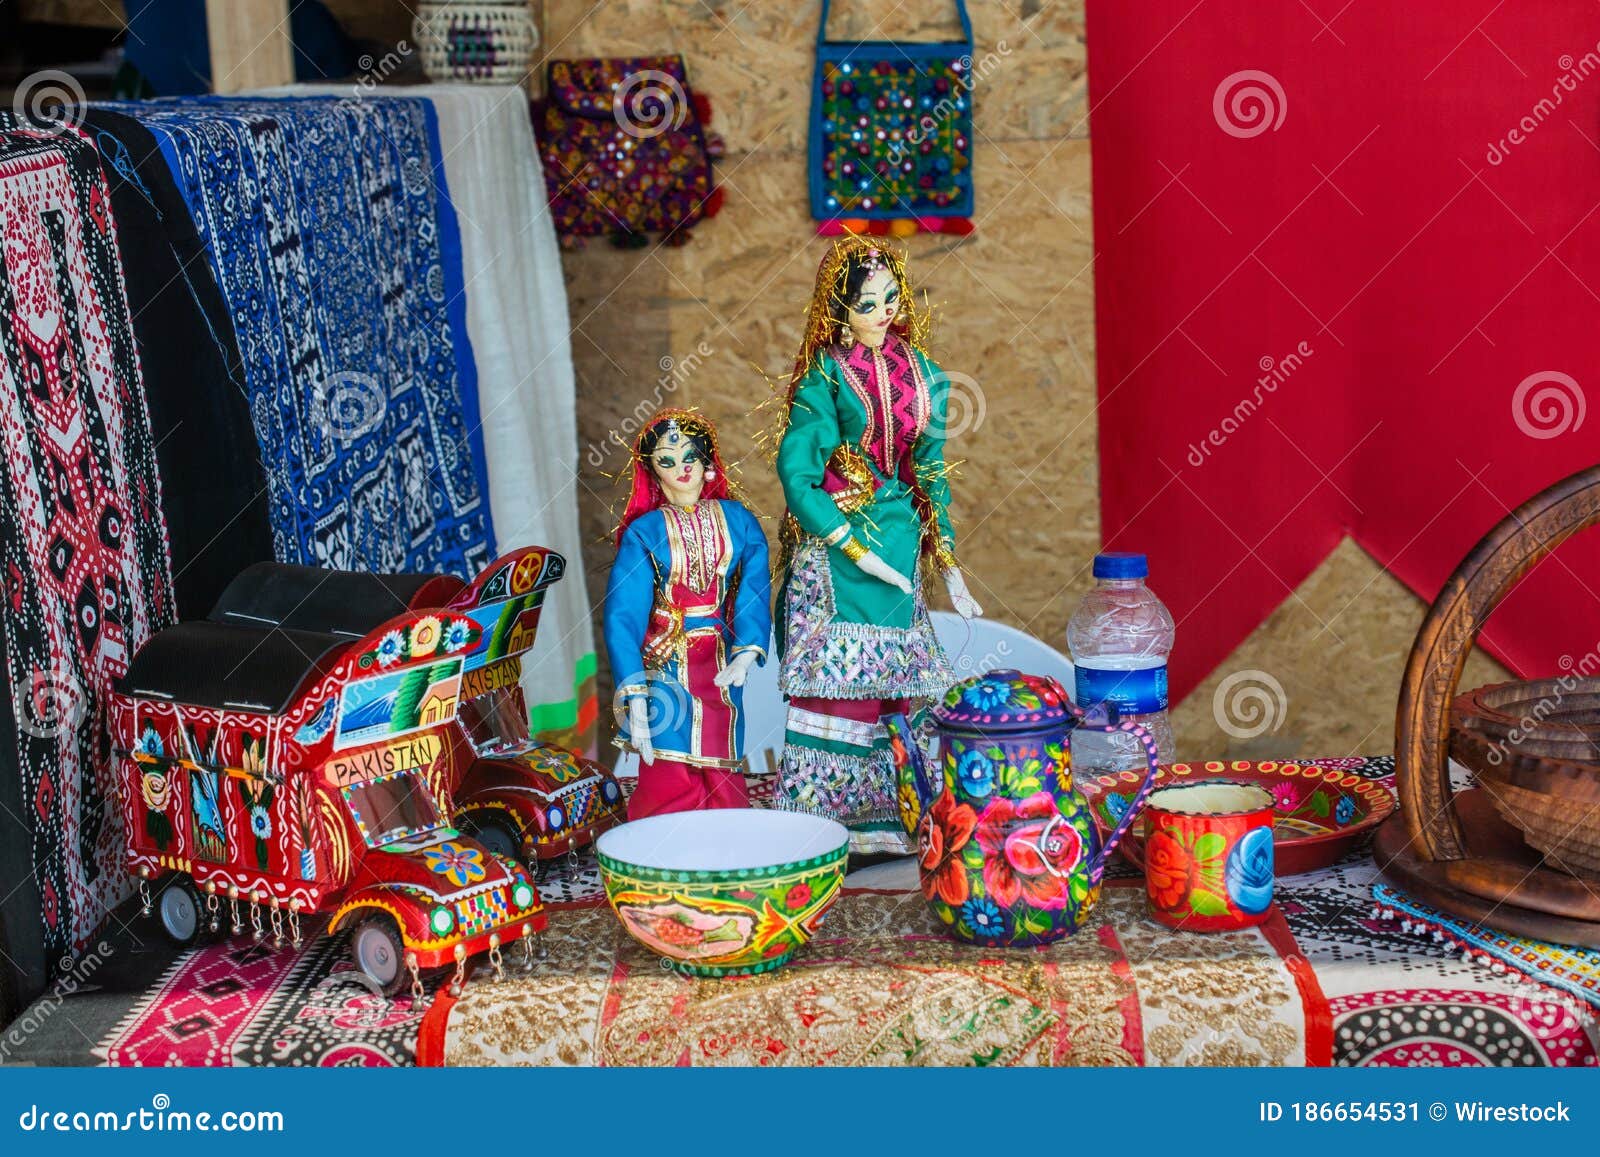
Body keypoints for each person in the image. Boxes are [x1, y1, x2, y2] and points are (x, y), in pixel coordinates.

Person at [772, 237, 981, 855]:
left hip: (899, 542)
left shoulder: (925, 374)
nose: (884, 310)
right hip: (839, 550)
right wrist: (846, 543)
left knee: (896, 682)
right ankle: (829, 829)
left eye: (892, 297)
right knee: (839, 685)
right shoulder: (825, 377)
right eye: (867, 303)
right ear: (839, 308)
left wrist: (948, 565)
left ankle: (896, 821)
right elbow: (797, 472)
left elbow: (929, 474)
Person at [604, 409, 771, 818]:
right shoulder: (645, 532)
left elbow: (754, 590)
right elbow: (623, 616)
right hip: (664, 660)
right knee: (668, 761)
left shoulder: (738, 522)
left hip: (718, 660)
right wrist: (634, 695)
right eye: (667, 461)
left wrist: (747, 651)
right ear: (652, 471)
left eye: (689, 458)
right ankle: (665, 842)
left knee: (720, 747)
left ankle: (722, 835)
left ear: (707, 462)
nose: (681, 469)